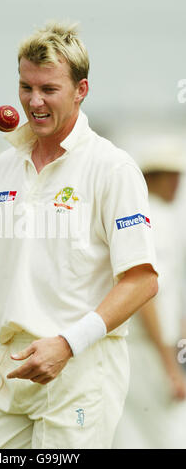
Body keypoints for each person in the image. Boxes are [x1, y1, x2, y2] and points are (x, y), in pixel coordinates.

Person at [0, 22, 158, 449]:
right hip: (10, 365)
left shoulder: (112, 167)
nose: (34, 102)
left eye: (49, 90)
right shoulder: (4, 168)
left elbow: (143, 280)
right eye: (25, 87)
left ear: (81, 90)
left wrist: (67, 345)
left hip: (82, 364)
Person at [113, 140, 186, 449]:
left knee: (133, 434)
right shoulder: (153, 220)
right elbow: (146, 293)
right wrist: (170, 364)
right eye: (167, 175)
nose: (175, 183)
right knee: (160, 436)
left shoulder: (153, 218)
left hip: (148, 345)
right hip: (144, 347)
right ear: (151, 178)